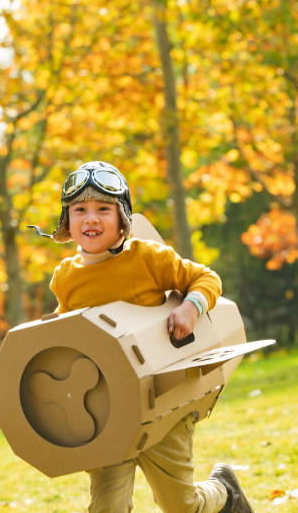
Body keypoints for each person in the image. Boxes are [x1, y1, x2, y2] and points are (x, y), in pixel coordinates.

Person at [33, 161, 254, 513]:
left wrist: (191, 308)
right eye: (80, 210)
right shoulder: (64, 276)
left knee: (181, 505)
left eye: (103, 209)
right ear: (67, 223)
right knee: (107, 508)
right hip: (107, 411)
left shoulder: (148, 258)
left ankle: (224, 492)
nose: (91, 219)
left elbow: (206, 279)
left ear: (122, 218)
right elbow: (68, 330)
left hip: (162, 404)